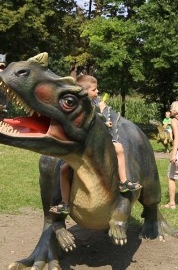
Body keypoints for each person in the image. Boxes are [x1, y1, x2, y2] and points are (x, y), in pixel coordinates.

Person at [50, 75, 141, 215]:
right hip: (82, 148)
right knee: (63, 170)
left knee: (118, 148)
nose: (97, 92)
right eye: (94, 89)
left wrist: (105, 122)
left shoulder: (96, 105)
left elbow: (97, 124)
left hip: (98, 145)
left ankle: (123, 181)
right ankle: (65, 202)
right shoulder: (79, 108)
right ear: (84, 92)